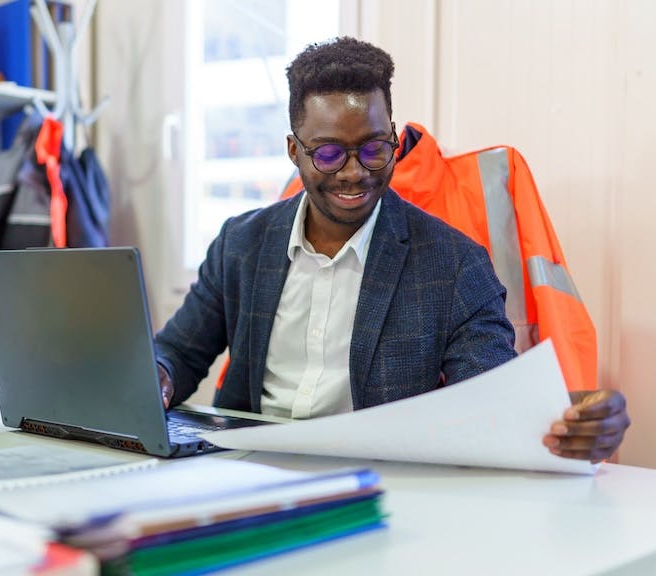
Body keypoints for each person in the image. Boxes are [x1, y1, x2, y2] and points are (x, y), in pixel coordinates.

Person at [153, 36, 630, 463]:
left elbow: (491, 403)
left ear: (394, 141)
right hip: (247, 472)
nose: (353, 172)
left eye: (374, 148)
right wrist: (158, 376)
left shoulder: (454, 264)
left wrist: (575, 425)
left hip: (380, 485)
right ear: (294, 151)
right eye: (328, 153)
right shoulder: (242, 243)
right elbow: (178, 351)